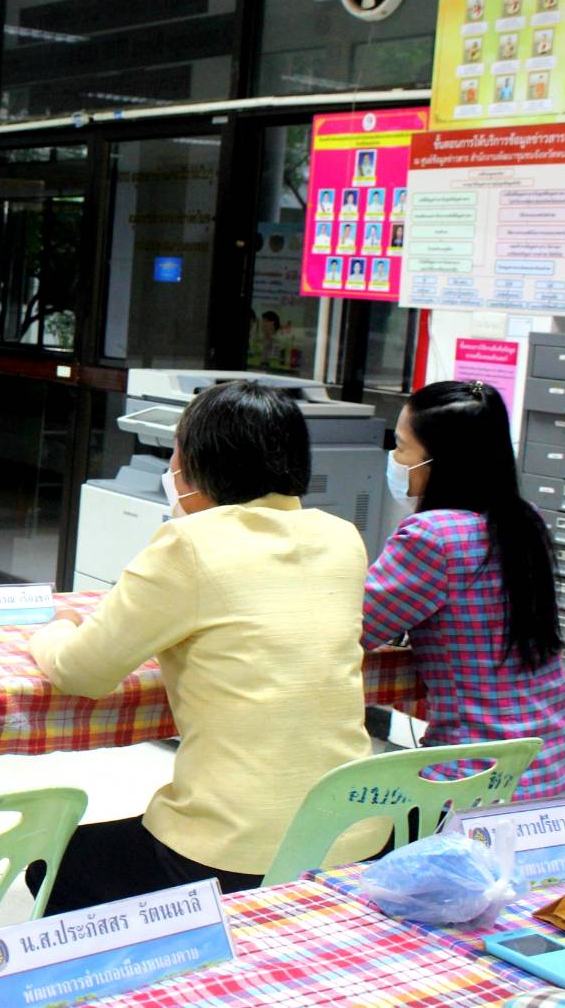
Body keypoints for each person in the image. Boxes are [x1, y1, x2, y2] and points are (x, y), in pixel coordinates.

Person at [24, 381, 379, 911]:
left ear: (198, 464)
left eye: (175, 452)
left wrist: (55, 626)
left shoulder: (189, 544)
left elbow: (81, 672)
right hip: (354, 835)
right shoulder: (341, 537)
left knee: (50, 869)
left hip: (235, 855)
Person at [365, 380, 565, 798]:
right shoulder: (525, 520)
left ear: (441, 461)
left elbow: (353, 629)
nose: (394, 458)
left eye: (403, 447)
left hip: (473, 784)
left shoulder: (432, 536)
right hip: (552, 772)